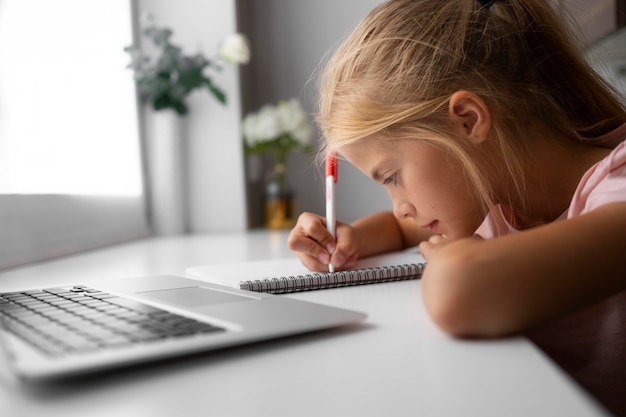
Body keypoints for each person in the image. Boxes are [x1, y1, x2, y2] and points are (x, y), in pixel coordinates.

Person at [287, 0, 626, 414]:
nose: (399, 209)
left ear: (467, 120)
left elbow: (456, 291)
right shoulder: (499, 197)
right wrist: (349, 239)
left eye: (392, 177)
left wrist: (456, 260)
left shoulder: (615, 192)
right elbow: (400, 231)